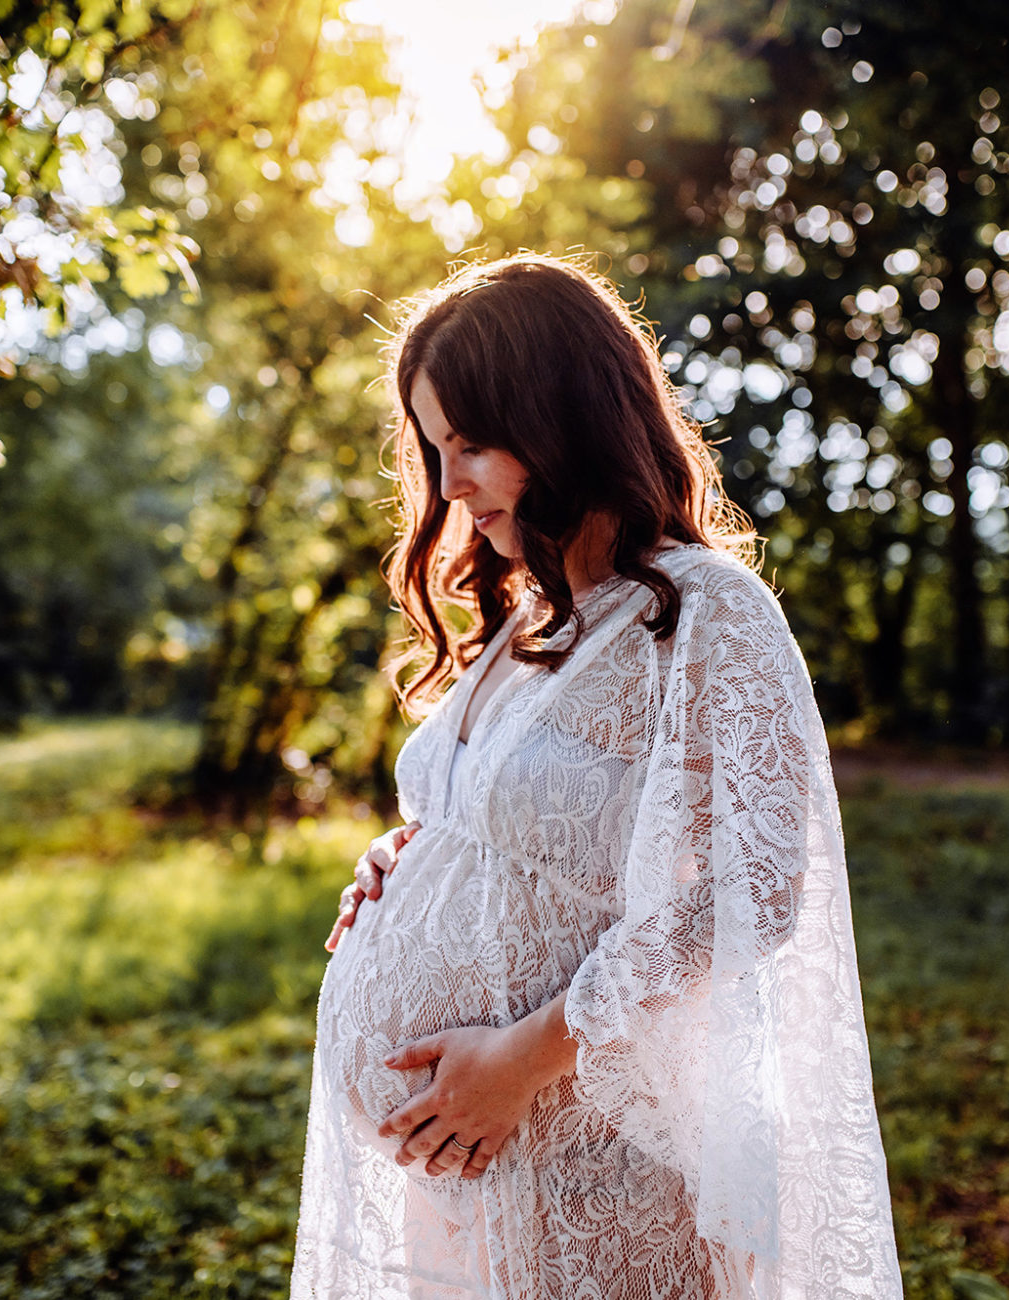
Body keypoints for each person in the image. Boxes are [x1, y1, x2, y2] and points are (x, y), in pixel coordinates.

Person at [290, 254, 901, 1299]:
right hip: (468, 1171)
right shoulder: (526, 624)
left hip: (600, 1157)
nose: (447, 485)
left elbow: (759, 887)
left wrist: (523, 1058)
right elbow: (530, 832)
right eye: (436, 449)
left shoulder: (709, 613)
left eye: (471, 443)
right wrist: (410, 859)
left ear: (559, 412)